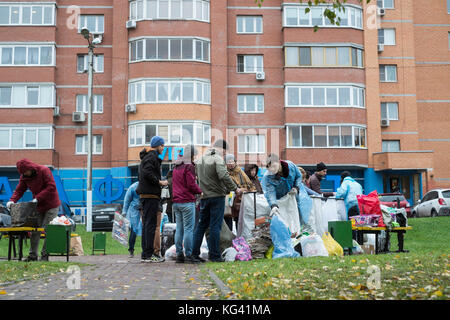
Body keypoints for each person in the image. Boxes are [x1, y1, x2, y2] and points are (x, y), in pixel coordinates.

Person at [191, 139, 242, 262]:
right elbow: (223, 175)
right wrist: (235, 188)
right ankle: (215, 255)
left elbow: (197, 177)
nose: (224, 155)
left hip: (204, 197)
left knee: (201, 226)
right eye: (225, 153)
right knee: (215, 226)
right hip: (217, 196)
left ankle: (194, 254)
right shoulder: (217, 158)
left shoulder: (201, 159)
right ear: (222, 149)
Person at [7, 159, 61, 261]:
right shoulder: (24, 177)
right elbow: (19, 190)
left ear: (30, 168)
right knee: (34, 230)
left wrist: (38, 198)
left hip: (51, 204)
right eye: (22, 173)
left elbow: (51, 187)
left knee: (48, 229)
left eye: (25, 171)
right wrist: (12, 200)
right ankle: (33, 255)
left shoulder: (44, 170)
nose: (25, 174)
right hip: (38, 206)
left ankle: (45, 255)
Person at [261, 154, 313, 234]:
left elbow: (298, 176)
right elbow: (270, 192)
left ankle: (301, 234)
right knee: (282, 220)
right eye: (270, 167)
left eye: (274, 166)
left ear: (279, 161)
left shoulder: (291, 166)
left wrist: (296, 187)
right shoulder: (269, 176)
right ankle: (286, 236)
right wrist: (273, 205)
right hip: (280, 201)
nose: (272, 169)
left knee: (298, 216)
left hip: (292, 196)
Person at [136, 136, 168, 263]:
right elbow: (147, 173)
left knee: (147, 226)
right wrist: (159, 182)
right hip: (150, 196)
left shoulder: (147, 157)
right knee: (150, 225)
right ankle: (150, 255)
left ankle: (145, 254)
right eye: (162, 145)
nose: (163, 148)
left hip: (146, 195)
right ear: (158, 145)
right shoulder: (152, 157)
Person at [172, 145, 203, 264]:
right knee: (189, 229)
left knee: (179, 228)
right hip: (187, 201)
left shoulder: (176, 166)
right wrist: (200, 191)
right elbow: (191, 184)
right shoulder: (189, 166)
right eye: (194, 155)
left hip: (176, 202)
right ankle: (189, 255)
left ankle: (179, 254)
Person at [225, 154, 256, 231]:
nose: (231, 164)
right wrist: (236, 189)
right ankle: (229, 239)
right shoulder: (224, 173)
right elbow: (224, 186)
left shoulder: (240, 171)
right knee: (228, 218)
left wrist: (245, 189)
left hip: (240, 200)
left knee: (238, 219)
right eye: (229, 162)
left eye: (232, 162)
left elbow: (249, 184)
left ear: (235, 162)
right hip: (229, 200)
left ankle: (239, 238)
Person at [122, 181, 142, 258]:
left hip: (136, 209)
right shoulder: (133, 187)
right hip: (136, 210)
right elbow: (127, 200)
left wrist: (124, 211)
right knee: (134, 229)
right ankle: (131, 249)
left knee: (135, 229)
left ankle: (132, 250)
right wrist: (124, 211)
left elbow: (127, 200)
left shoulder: (133, 187)